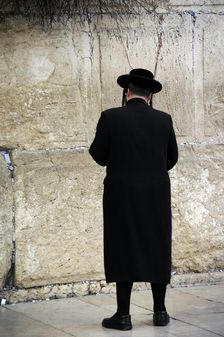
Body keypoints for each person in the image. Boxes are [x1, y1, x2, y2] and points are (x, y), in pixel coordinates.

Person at [89, 68, 178, 330]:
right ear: (150, 95)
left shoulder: (110, 117)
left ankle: (123, 315)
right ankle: (160, 312)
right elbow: (171, 159)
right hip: (156, 194)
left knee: (123, 246)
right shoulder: (165, 120)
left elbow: (98, 155)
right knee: (157, 246)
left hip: (122, 195)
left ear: (127, 92)